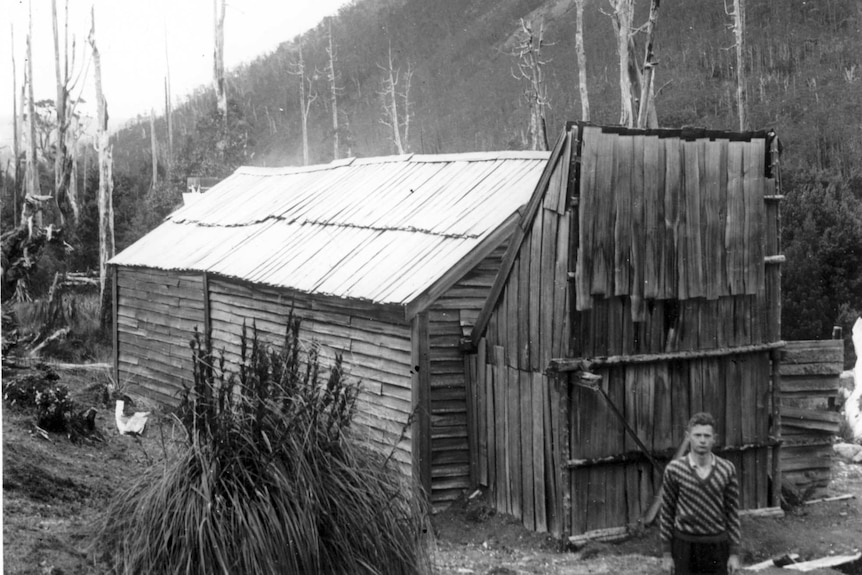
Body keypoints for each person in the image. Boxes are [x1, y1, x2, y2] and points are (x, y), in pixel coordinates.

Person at [660, 412, 741, 575]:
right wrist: (667, 554)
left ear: (714, 438)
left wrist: (734, 553)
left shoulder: (727, 469)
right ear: (688, 436)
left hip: (717, 546)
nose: (702, 440)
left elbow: (732, 512)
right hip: (684, 546)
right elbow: (667, 512)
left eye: (707, 436)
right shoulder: (674, 469)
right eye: (697, 435)